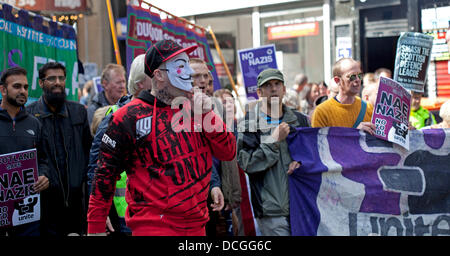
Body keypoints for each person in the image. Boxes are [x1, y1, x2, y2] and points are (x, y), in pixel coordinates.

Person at [87, 39, 236, 236]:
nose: (190, 73)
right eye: (181, 66)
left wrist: (208, 115)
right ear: (158, 75)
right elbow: (104, 175)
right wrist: (95, 228)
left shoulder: (197, 109)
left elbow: (228, 152)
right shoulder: (128, 116)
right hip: (152, 229)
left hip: (197, 228)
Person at [237, 68, 310, 236]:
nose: (274, 89)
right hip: (271, 210)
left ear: (284, 89)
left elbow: (312, 154)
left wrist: (301, 162)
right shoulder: (248, 123)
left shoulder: (299, 120)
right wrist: (273, 141)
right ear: (259, 92)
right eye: (268, 85)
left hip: (301, 204)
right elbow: (247, 163)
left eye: (277, 84)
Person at [86, 54, 152, 236]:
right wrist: (99, 213)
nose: (161, 80)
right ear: (140, 84)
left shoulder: (165, 115)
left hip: (158, 216)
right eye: (154, 75)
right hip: (126, 216)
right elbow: (96, 169)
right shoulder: (116, 116)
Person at [27, 62, 92, 236]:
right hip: (46, 208)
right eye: (51, 78)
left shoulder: (79, 111)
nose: (57, 82)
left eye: (61, 78)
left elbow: (89, 154)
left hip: (77, 205)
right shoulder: (29, 115)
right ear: (41, 83)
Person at [0, 67, 49, 236]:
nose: (23, 91)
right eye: (17, 86)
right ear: (3, 90)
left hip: (27, 214)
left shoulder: (34, 123)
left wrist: (44, 175)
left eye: (26, 87)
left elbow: (43, 159)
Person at [189, 58, 227, 236]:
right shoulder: (177, 110)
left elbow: (224, 152)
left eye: (205, 76)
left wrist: (222, 188)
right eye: (197, 76)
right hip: (186, 195)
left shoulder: (216, 106)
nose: (203, 81)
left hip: (213, 190)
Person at [311, 58, 375, 135]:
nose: (357, 79)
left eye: (360, 75)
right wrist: (355, 133)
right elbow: (319, 145)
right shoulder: (322, 112)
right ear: (337, 80)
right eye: (352, 76)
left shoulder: (368, 108)